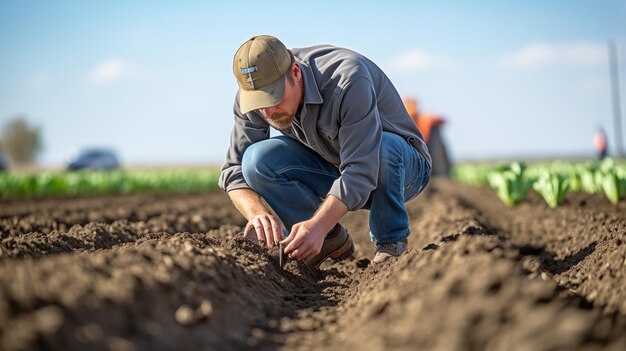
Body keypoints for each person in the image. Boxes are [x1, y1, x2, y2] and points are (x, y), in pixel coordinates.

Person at [219, 35, 432, 267]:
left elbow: (361, 168)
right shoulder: (253, 96)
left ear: (296, 72)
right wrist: (256, 214)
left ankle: (391, 243)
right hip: (334, 165)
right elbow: (234, 170)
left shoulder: (347, 78)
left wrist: (318, 224)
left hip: (400, 171)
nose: (268, 112)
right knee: (256, 160)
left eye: (274, 98)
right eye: (259, 103)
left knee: (383, 147)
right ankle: (329, 239)